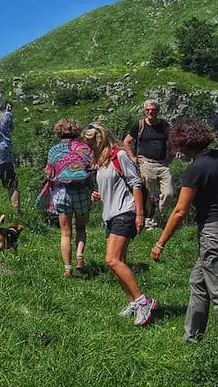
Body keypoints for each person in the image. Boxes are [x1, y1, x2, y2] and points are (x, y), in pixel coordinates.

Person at [151, 118, 218, 344]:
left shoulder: (195, 169)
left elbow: (179, 212)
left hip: (214, 231)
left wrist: (160, 243)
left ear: (184, 144)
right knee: (198, 281)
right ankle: (192, 338)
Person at [82, 122, 157, 326]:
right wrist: (99, 194)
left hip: (126, 212)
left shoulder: (120, 155)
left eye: (90, 141)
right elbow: (111, 186)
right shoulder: (102, 161)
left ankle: (143, 301)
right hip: (111, 214)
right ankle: (133, 303)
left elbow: (136, 183)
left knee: (112, 260)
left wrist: (139, 215)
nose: (87, 145)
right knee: (119, 261)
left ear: (100, 138)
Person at [37, 118, 94, 278]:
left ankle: (68, 269)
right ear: (77, 131)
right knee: (81, 228)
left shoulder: (54, 150)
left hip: (62, 193)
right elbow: (92, 169)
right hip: (82, 192)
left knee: (65, 233)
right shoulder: (85, 148)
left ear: (58, 131)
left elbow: (49, 173)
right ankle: (80, 258)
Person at [123, 99, 174, 229]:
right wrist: (133, 158)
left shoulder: (164, 125)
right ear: (144, 111)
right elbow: (127, 142)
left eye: (153, 110)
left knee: (168, 193)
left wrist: (171, 157)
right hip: (146, 164)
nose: (150, 112)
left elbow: (173, 142)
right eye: (148, 110)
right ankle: (149, 222)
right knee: (150, 196)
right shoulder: (140, 125)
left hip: (162, 165)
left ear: (158, 111)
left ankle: (157, 219)